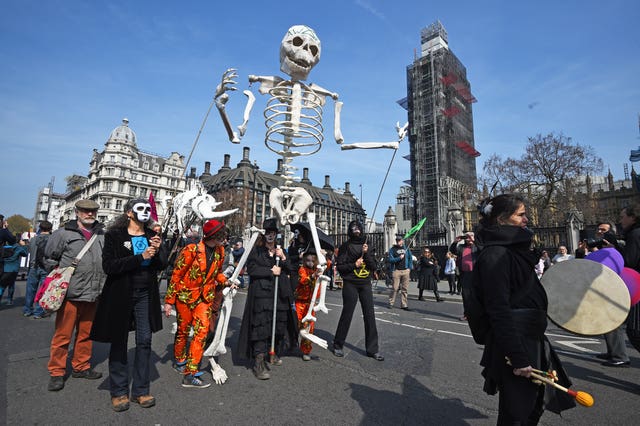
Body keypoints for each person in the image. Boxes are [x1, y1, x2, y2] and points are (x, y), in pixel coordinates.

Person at [474, 194, 575, 424]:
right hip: (517, 343)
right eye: (520, 214)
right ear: (501, 220)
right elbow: (498, 310)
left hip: (532, 339)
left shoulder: (514, 251)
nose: (526, 219)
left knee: (534, 406)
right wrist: (518, 357)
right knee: (517, 413)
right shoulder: (495, 255)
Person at [90, 199, 167, 412]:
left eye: (148, 209)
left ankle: (141, 390)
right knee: (119, 341)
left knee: (145, 341)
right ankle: (119, 391)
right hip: (120, 294)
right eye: (140, 209)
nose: (145, 212)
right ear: (129, 213)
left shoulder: (152, 236)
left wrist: (160, 250)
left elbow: (161, 265)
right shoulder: (115, 236)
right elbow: (109, 266)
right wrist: (139, 257)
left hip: (145, 294)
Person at [44, 199, 106, 392]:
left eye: (93, 211)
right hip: (70, 293)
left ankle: (81, 366)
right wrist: (59, 278)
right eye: (86, 211)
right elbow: (48, 257)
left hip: (94, 293)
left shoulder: (102, 235)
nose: (90, 214)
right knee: (63, 335)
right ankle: (57, 372)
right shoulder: (63, 234)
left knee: (86, 334)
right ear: (77, 212)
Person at [164, 219, 231, 388]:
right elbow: (176, 275)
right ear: (213, 236)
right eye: (222, 235)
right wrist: (169, 301)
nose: (224, 239)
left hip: (205, 299)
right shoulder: (191, 250)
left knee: (201, 332)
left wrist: (227, 281)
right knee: (183, 331)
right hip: (185, 296)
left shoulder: (220, 251)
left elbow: (217, 274)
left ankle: (190, 372)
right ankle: (180, 360)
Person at [237, 218, 298, 380]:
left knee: (278, 324)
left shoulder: (281, 251)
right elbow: (252, 269)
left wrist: (283, 259)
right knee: (261, 327)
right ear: (264, 235)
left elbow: (291, 269)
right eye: (268, 233)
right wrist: (271, 271)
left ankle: (274, 352)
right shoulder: (257, 251)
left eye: (273, 233)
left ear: (277, 234)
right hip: (262, 295)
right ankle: (259, 361)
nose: (270, 236)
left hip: (279, 295)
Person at [332, 220, 383, 361]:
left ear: (361, 229)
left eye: (358, 228)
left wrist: (366, 254)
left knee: (370, 315)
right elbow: (340, 267)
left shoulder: (368, 245)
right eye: (353, 228)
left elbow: (373, 266)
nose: (356, 230)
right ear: (350, 231)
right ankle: (338, 344)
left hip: (365, 284)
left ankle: (372, 349)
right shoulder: (345, 247)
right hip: (350, 284)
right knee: (347, 314)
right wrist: (354, 264)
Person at [620, 205, 640, 356]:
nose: (620, 220)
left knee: (634, 330)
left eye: (623, 217)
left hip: (637, 287)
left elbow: (629, 262)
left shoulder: (634, 235)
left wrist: (616, 248)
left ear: (632, 218)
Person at [23, 221, 54, 318]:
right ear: (50, 229)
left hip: (33, 266)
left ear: (40, 228)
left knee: (30, 290)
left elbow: (29, 251)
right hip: (46, 268)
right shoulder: (52, 240)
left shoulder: (33, 240)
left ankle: (27, 310)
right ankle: (38, 312)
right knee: (43, 290)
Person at [296, 250, 321, 361]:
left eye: (313, 261)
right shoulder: (302, 270)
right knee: (296, 325)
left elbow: (328, 264)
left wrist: (323, 255)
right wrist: (313, 275)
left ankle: (306, 350)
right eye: (308, 260)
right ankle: (289, 344)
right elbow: (302, 280)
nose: (310, 263)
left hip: (310, 304)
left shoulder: (318, 269)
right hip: (300, 302)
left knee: (308, 328)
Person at [450, 232, 478, 320]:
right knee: (466, 296)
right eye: (467, 237)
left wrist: (474, 241)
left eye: (470, 236)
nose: (468, 238)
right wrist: (455, 242)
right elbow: (453, 251)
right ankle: (467, 314)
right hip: (465, 274)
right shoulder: (461, 247)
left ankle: (479, 314)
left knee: (477, 296)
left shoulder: (477, 246)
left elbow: (483, 249)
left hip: (476, 274)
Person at [0, 237, 28, 305]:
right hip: (14, 269)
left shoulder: (3, 248)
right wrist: (24, 245)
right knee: (11, 285)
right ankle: (9, 300)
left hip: (4, 268)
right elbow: (25, 254)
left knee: (2, 285)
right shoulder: (17, 248)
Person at [388, 236, 413, 310]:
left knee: (405, 289)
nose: (398, 241)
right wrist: (399, 258)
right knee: (395, 288)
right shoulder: (392, 249)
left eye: (400, 240)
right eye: (397, 240)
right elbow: (390, 260)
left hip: (405, 270)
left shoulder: (406, 248)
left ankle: (404, 304)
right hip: (396, 271)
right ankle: (391, 302)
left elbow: (410, 258)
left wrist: (409, 268)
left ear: (402, 241)